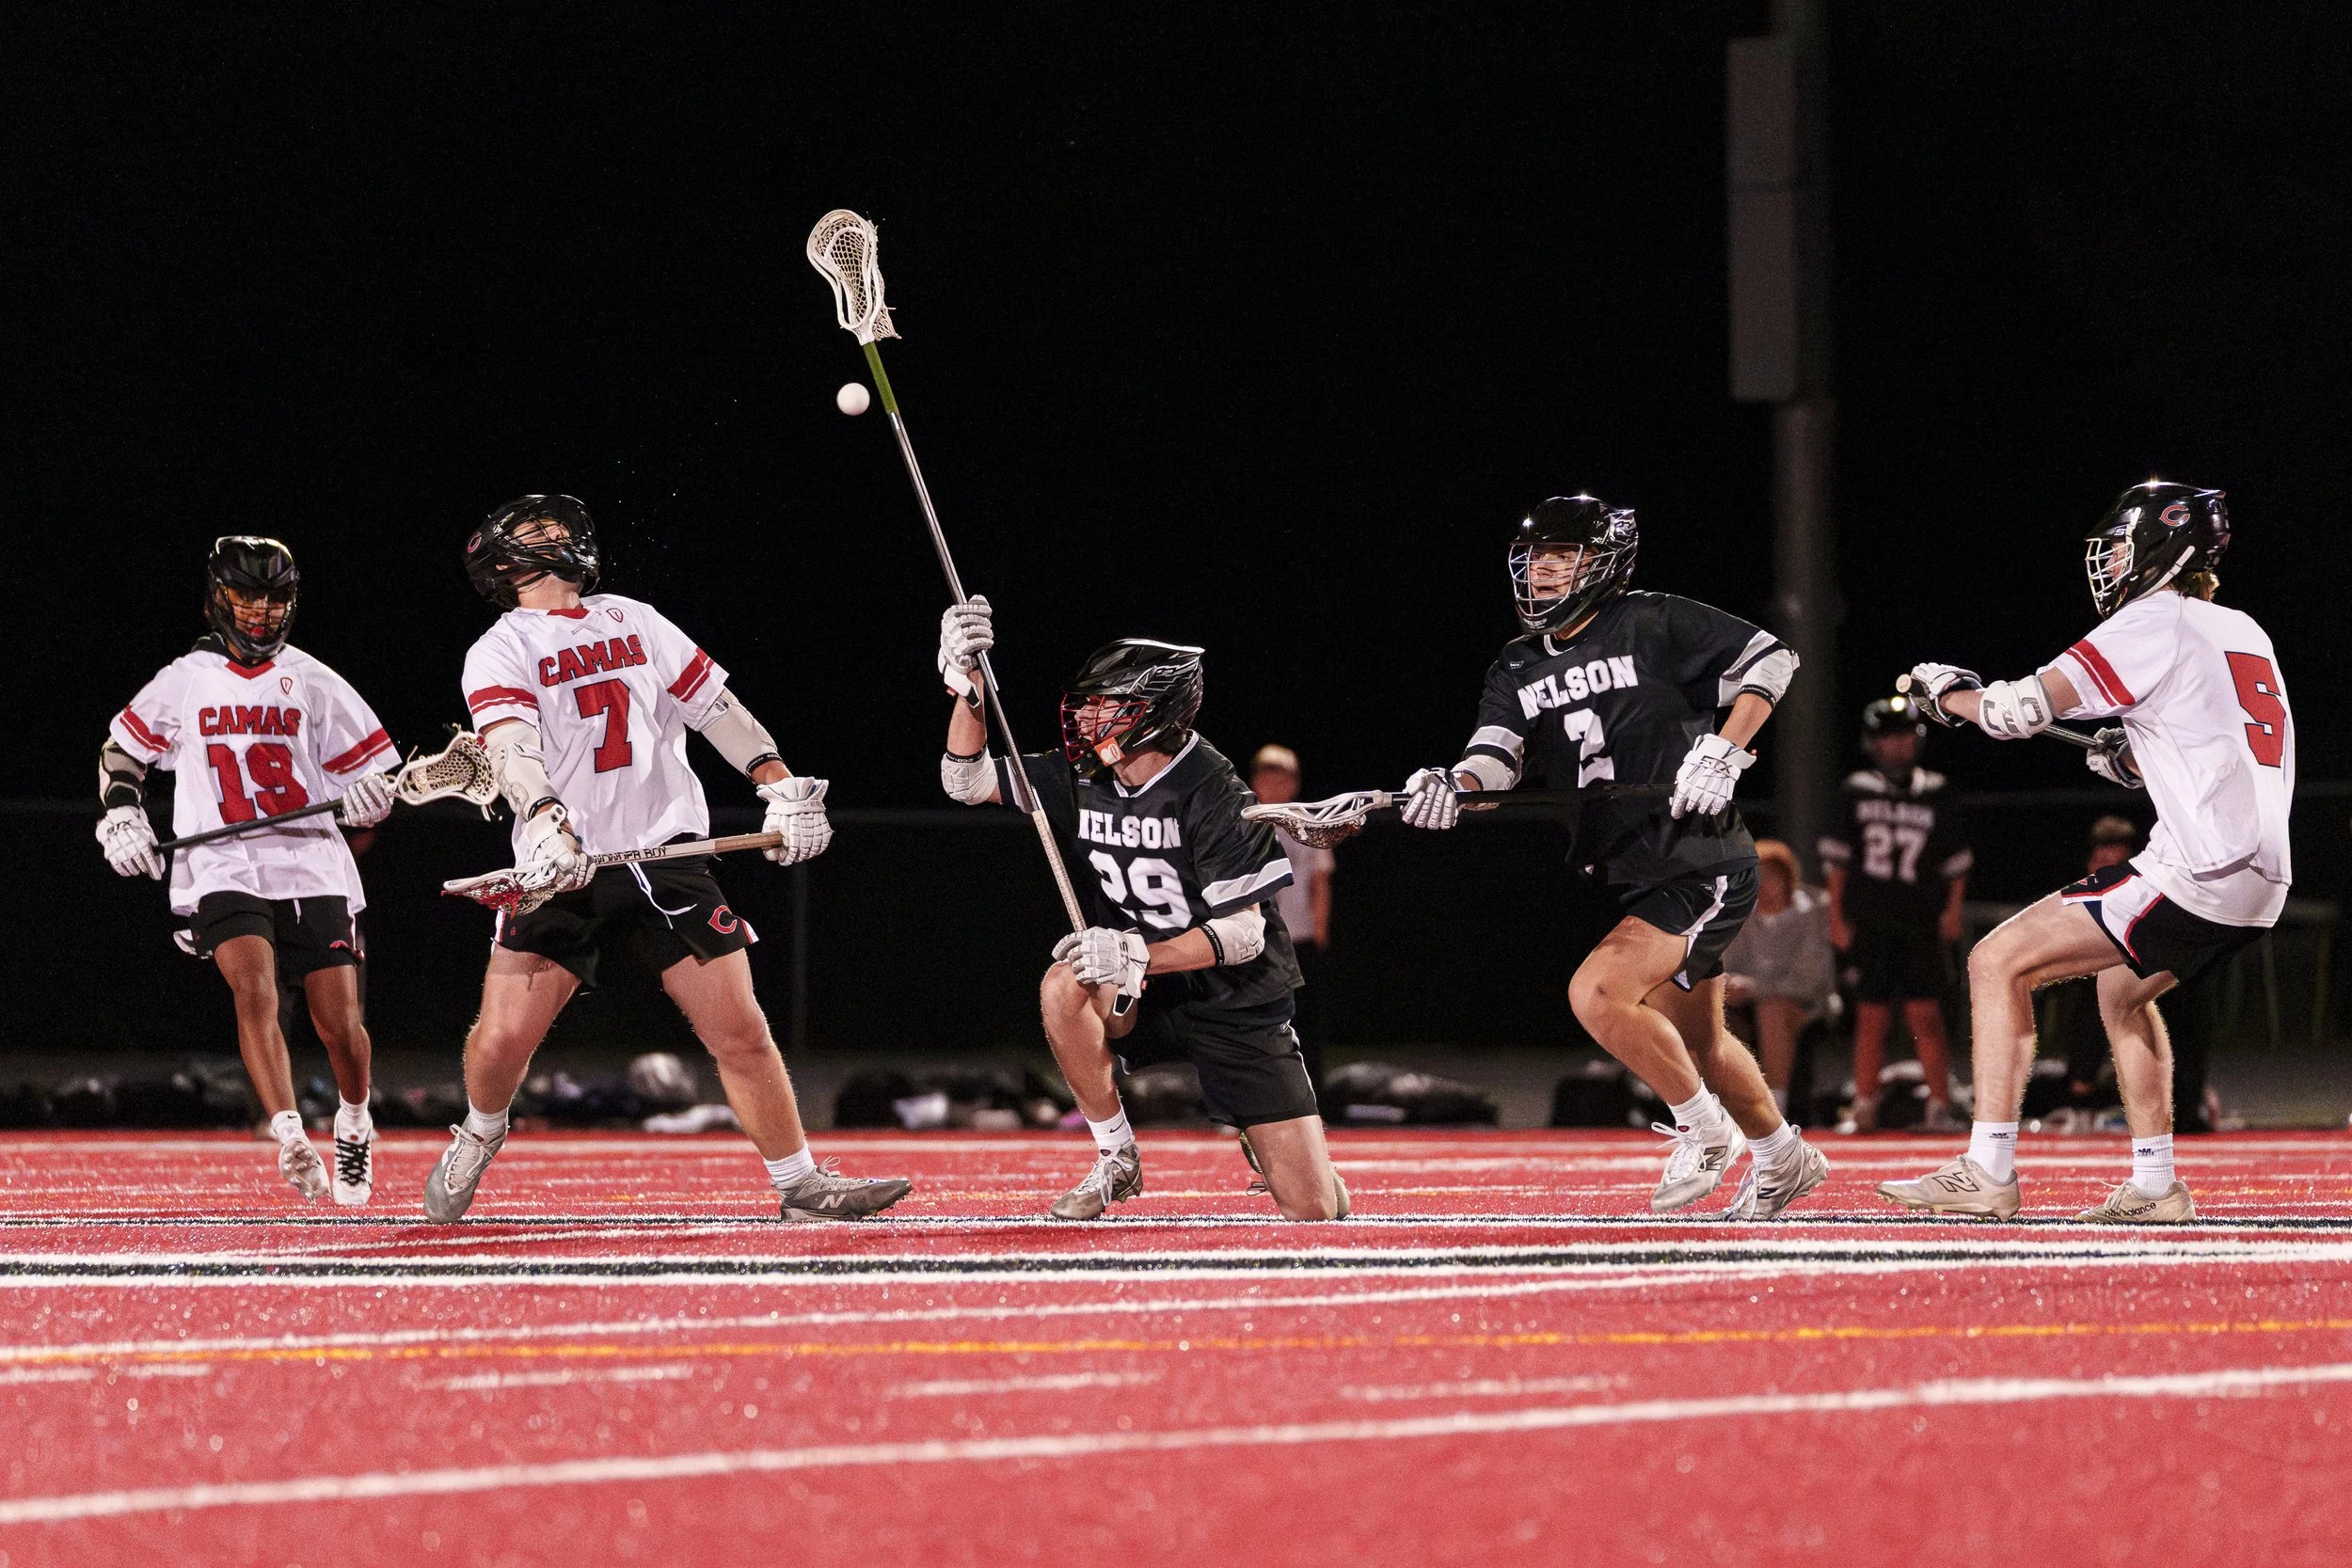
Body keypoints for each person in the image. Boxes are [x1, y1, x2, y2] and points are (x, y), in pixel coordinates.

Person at [425, 494, 911, 1223]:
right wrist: (550, 822)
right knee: (499, 1043)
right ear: (504, 560)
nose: (557, 535)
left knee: (741, 1029)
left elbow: (715, 708)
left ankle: (800, 1184)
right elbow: (510, 748)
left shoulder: (636, 618)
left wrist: (781, 788)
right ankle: (481, 1130)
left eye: (557, 525)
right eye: (537, 531)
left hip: (665, 851)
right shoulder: (500, 647)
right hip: (565, 862)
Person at [1398, 494, 1830, 1219]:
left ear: (1603, 564)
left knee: (1596, 992)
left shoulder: (1651, 619)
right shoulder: (1517, 663)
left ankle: (1703, 1130)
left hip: (1699, 856)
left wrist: (1726, 745)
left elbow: (1773, 655)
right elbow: (1494, 760)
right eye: (1535, 561)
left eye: (1561, 559)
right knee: (1704, 1047)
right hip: (1635, 867)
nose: (1541, 574)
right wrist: (1452, 787)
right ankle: (1785, 1157)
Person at [1882, 481, 2290, 1223]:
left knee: (1995, 960)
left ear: (2163, 546)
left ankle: (1988, 1168)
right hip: (2261, 875)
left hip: (2199, 868)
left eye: (2122, 547)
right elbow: (2219, 736)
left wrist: (1952, 697)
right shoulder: (2242, 628)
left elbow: (2018, 710)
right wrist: (2137, 752)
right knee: (2118, 989)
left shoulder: (2151, 620)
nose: (2111, 564)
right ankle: (2157, 1183)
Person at [935, 602, 1345, 1221]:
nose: (1087, 715)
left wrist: (1135, 950)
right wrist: (967, 688)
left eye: (1107, 703)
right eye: (1088, 702)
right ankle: (1116, 1156)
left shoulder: (1216, 791)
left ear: (1156, 710)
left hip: (1234, 998)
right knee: (1063, 984)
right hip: (1140, 988)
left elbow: (1244, 934)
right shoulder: (1083, 773)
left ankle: (1268, 1139)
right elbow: (963, 781)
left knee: (1316, 1209)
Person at [97, 537, 397, 1202]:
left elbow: (377, 785)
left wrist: (371, 801)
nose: (259, 613)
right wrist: (121, 813)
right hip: (220, 859)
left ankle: (353, 1119)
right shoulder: (187, 678)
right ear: (216, 596)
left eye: (273, 599)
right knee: (254, 987)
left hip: (312, 859)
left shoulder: (315, 680)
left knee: (340, 1026)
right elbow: (122, 750)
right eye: (245, 597)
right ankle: (289, 1132)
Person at [1818, 694, 1973, 1132]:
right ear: (1874, 743)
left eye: (1903, 736)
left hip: (1920, 917)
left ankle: (1939, 1106)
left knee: (1926, 1014)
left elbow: (1956, 863)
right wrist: (1836, 916)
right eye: (1889, 738)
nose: (1897, 746)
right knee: (1871, 1015)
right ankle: (1864, 1104)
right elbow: (1837, 863)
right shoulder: (1855, 791)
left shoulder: (1937, 792)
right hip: (1870, 918)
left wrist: (1952, 911)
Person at [1720, 839, 1836, 1117]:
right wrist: (1728, 983)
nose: (1762, 884)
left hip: (1808, 1004)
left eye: (1770, 876)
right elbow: (1723, 965)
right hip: (1746, 1002)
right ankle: (1710, 1110)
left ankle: (1775, 1112)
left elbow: (1808, 981)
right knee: (1701, 1007)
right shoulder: (1739, 913)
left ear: (1788, 878)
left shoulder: (1813, 913)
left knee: (1771, 1010)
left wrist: (1753, 988)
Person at [1248, 744, 1333, 1087]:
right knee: (1253, 1022)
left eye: (1285, 775)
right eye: (1269, 773)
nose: (1277, 782)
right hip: (1254, 940)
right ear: (1255, 779)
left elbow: (1320, 880)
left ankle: (1311, 1098)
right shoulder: (1243, 820)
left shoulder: (1309, 822)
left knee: (1304, 1022)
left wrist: (1319, 932)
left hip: (1299, 938)